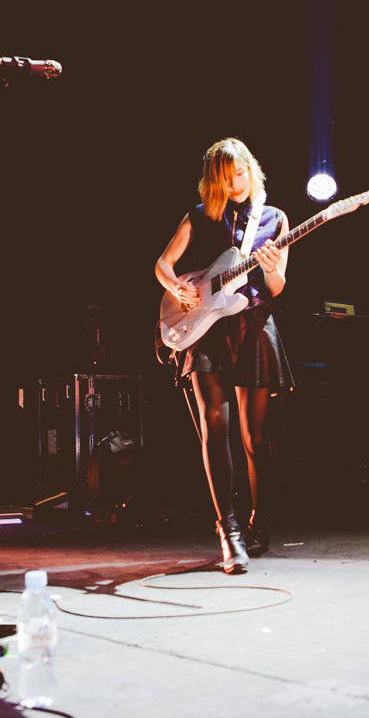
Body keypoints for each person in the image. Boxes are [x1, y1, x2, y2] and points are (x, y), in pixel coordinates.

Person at [155, 138, 294, 574]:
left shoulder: (275, 218)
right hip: (208, 330)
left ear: (251, 169)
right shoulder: (201, 216)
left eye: (240, 173)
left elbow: (277, 287)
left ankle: (260, 520)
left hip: (253, 324)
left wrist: (270, 267)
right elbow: (162, 263)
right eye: (225, 177)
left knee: (256, 438)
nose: (235, 183)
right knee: (215, 427)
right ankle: (227, 529)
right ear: (212, 181)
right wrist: (174, 285)